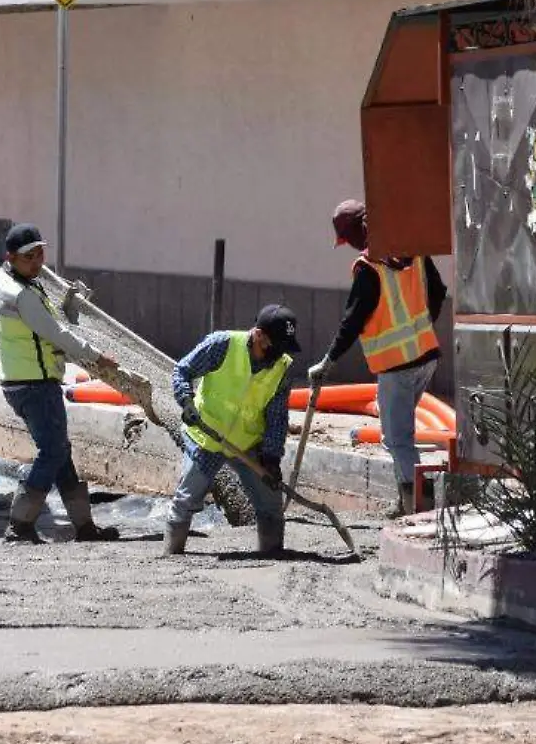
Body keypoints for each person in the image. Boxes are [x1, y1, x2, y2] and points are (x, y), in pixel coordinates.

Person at [308, 199, 447, 517]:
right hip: (426, 356)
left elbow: (352, 322)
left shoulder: (370, 268)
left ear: (357, 232)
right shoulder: (413, 250)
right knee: (404, 433)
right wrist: (420, 326)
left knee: (397, 438)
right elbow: (438, 291)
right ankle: (409, 499)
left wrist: (328, 361)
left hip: (397, 366)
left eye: (348, 239)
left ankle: (417, 506)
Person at [0, 223, 123, 543]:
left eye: (40, 253)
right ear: (11, 257)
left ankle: (84, 527)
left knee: (59, 451)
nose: (37, 262)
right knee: (52, 451)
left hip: (20, 381)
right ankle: (19, 525)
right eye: (28, 256)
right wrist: (96, 356)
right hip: (35, 383)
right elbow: (55, 333)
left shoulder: (0, 282)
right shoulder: (22, 294)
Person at [165, 305, 302, 556]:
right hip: (207, 438)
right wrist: (186, 401)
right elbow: (182, 370)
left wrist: (271, 458)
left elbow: (277, 416)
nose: (279, 353)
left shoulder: (281, 367)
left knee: (271, 502)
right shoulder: (222, 345)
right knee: (186, 501)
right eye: (275, 344)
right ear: (259, 334)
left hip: (248, 443)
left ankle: (272, 556)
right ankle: (171, 556)